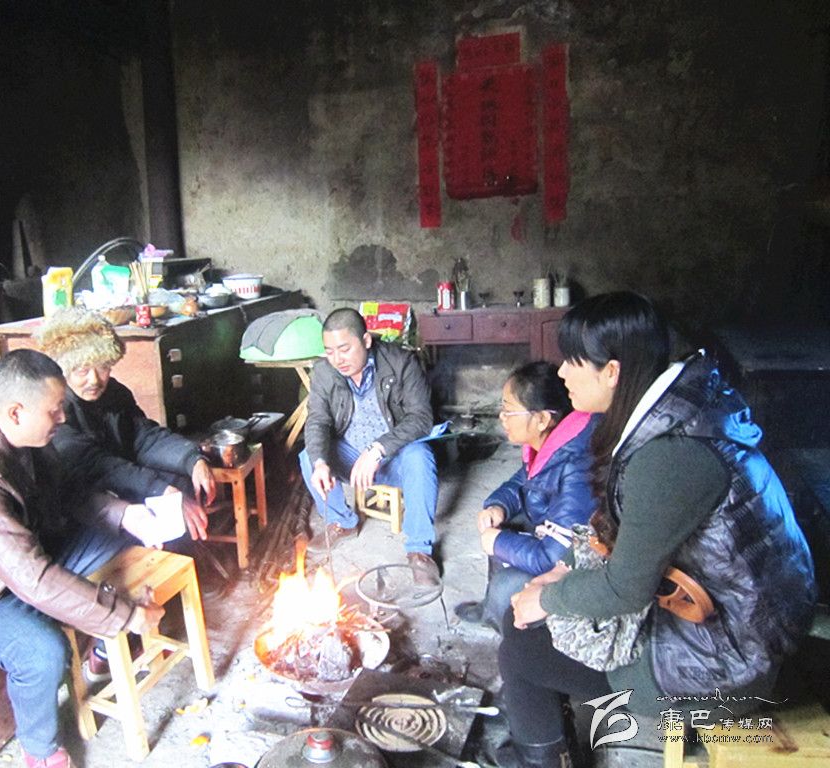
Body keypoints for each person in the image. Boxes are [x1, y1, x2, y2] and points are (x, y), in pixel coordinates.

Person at [496, 292, 816, 768]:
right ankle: (554, 737)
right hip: (742, 623)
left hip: (728, 661)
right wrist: (560, 571)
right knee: (529, 614)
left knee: (522, 648)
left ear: (611, 372)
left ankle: (543, 758)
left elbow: (625, 590)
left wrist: (547, 598)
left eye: (573, 361)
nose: (561, 373)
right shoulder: (682, 412)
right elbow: (614, 529)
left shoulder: (669, 456)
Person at [0, 350, 169, 768]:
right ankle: (40, 752)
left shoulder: (26, 436)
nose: (63, 417)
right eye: (55, 409)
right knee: (43, 652)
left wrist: (127, 514)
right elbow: (33, 578)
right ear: (16, 412)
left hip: (25, 555)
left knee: (121, 535)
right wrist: (129, 616)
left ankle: (99, 654)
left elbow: (68, 493)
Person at [34, 308, 215, 542]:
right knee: (164, 499)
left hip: (119, 480)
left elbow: (145, 437)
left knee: (183, 481)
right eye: (82, 370)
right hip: (81, 505)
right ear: (63, 370)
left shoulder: (114, 393)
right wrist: (159, 489)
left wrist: (193, 459)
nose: (94, 379)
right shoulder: (57, 409)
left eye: (103, 367)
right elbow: (97, 465)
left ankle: (190, 555)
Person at [300, 307, 439, 582]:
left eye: (345, 349)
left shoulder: (401, 362)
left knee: (420, 456)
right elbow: (318, 420)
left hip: (394, 458)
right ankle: (343, 522)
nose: (338, 359)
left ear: (365, 340)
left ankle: (419, 550)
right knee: (309, 457)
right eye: (330, 351)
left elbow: (421, 418)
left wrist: (377, 449)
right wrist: (321, 462)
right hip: (352, 458)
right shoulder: (324, 372)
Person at [454, 361, 596, 629]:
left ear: (542, 419)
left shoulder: (578, 467)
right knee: (500, 525)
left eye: (509, 411)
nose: (502, 417)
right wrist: (498, 505)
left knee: (507, 582)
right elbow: (523, 481)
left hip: (571, 566)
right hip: (548, 532)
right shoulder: (547, 447)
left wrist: (498, 543)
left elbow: (556, 557)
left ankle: (506, 622)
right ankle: (491, 609)